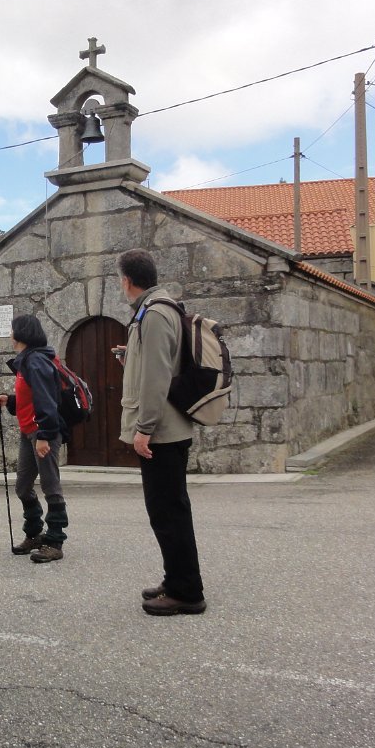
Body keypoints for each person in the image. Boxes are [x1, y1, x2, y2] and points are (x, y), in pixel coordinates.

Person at [116, 248, 207, 616]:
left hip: (162, 432)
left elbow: (156, 378)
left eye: (119, 280)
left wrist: (144, 428)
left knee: (167, 512)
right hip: (170, 428)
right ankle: (176, 580)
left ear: (127, 280)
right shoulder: (163, 309)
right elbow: (158, 365)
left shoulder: (153, 314)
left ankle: (187, 592)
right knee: (170, 510)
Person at [0, 314, 70, 563]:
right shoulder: (28, 360)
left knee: (50, 485)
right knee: (23, 487)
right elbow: (31, 397)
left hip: (42, 432)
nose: (10, 335)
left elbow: (47, 400)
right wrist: (10, 400)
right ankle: (35, 534)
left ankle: (54, 541)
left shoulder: (36, 361)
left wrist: (44, 436)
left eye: (12, 330)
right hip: (29, 431)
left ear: (22, 334)